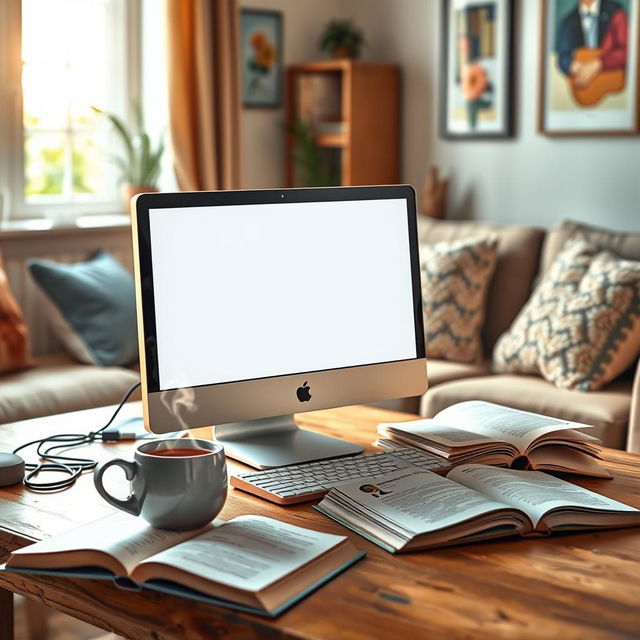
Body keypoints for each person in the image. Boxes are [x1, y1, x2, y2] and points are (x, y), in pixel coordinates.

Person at [557, 0, 628, 89]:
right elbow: (563, 57)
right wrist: (575, 67)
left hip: (613, 84)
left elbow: (627, 51)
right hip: (584, 90)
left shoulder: (615, 12)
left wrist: (598, 64)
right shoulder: (568, 22)